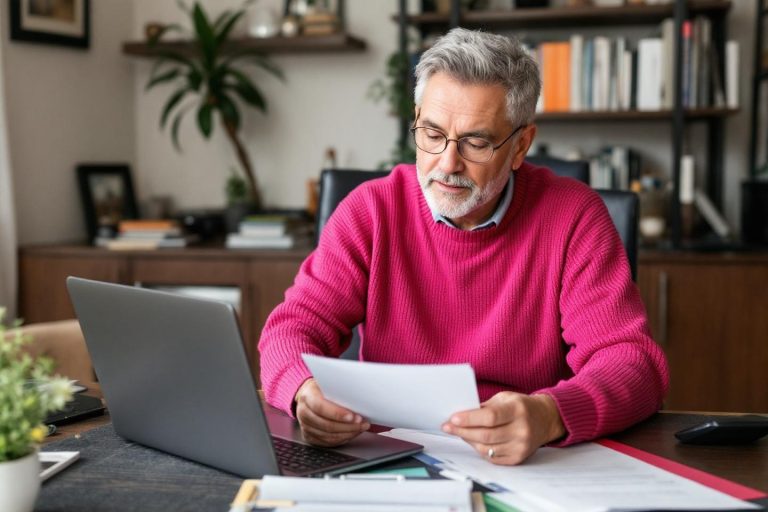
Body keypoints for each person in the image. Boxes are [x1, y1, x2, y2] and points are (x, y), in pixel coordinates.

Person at [259, 28, 669, 465]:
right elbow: (290, 330)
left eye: (475, 142)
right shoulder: (370, 211)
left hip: (526, 460)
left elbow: (633, 363)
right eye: (432, 134)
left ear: (520, 146)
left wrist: (552, 415)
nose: (447, 164)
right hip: (383, 453)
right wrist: (304, 391)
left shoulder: (574, 217)